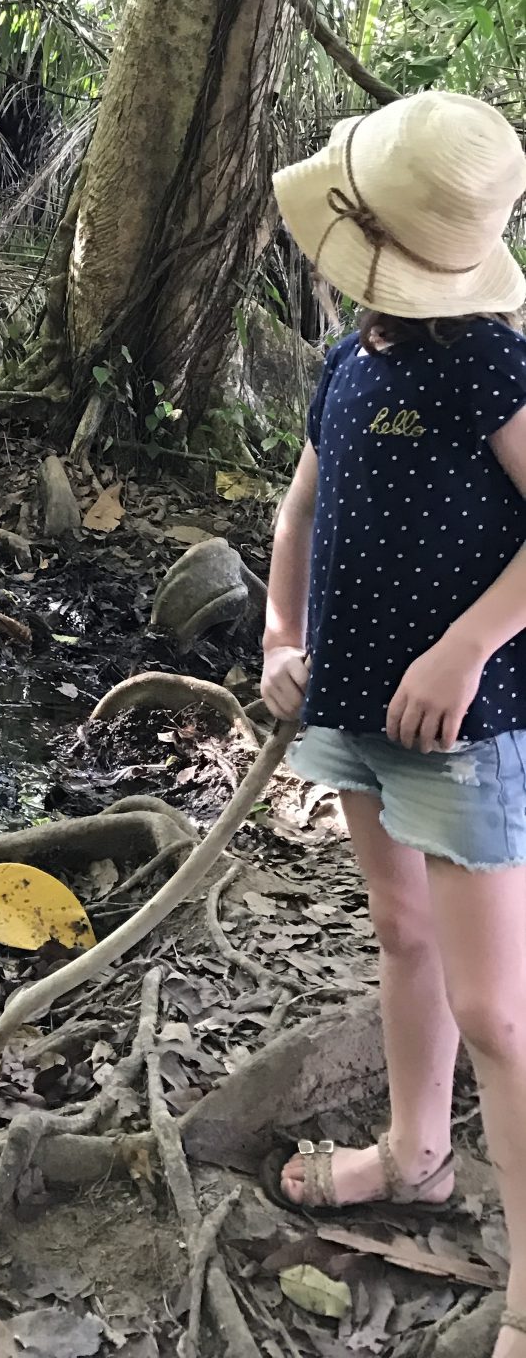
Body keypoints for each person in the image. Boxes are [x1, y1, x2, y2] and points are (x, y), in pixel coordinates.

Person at [261, 90, 526, 1354]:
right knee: (400, 930)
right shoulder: (347, 363)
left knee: (500, 1010)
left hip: (466, 729)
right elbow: (298, 514)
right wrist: (276, 634)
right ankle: (415, 1154)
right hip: (356, 707)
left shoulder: (489, 359)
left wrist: (469, 641)